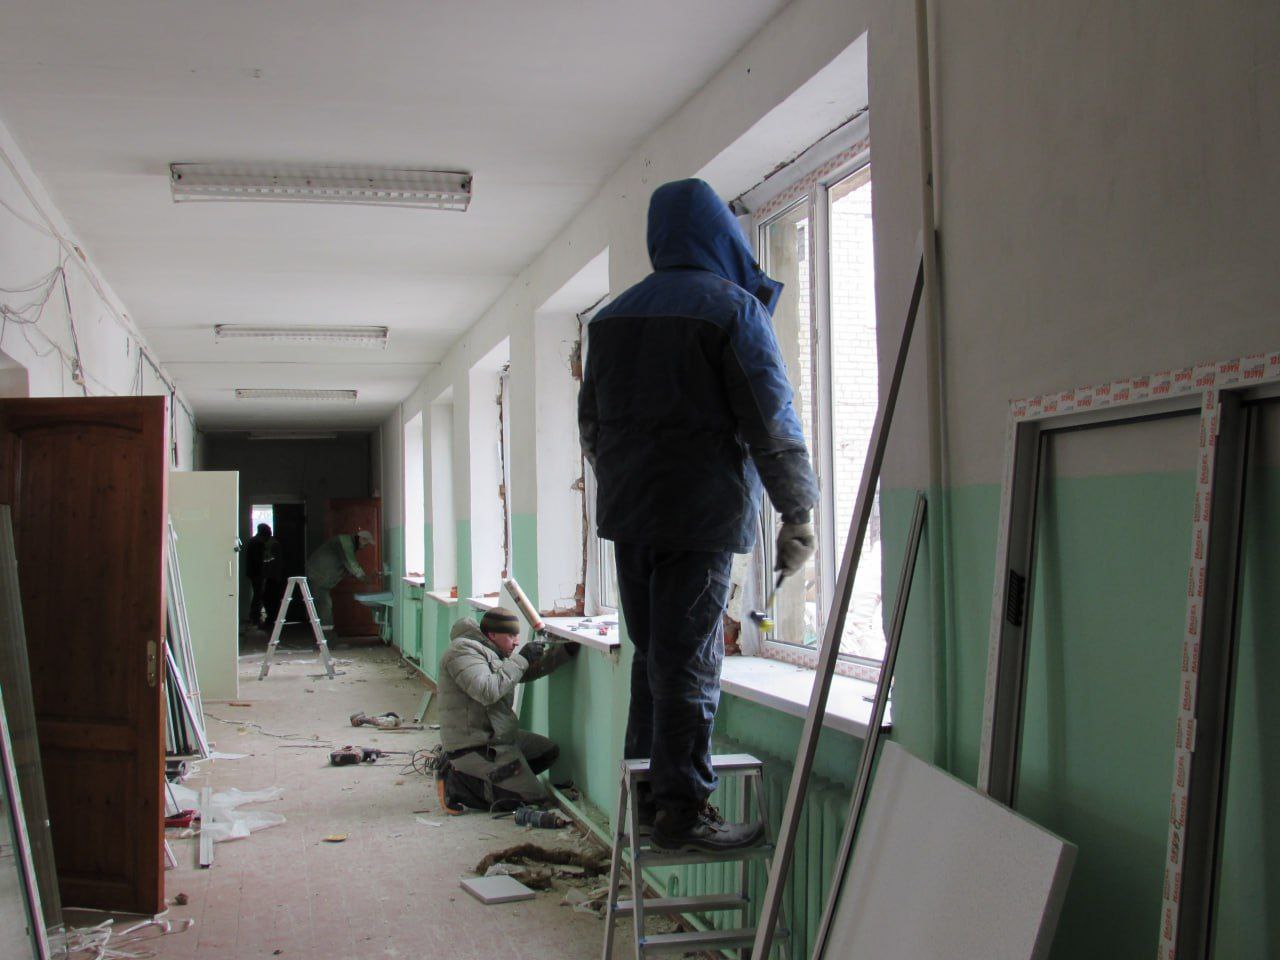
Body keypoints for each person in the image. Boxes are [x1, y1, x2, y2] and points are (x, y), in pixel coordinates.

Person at [578, 178, 819, 853]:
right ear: (720, 236)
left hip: (630, 517)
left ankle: (648, 801)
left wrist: (632, 482)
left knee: (653, 657)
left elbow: (592, 428)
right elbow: (770, 419)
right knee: (690, 663)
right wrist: (797, 510)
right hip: (701, 518)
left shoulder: (610, 319)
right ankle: (683, 812)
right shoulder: (732, 309)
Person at [437, 607, 577, 811]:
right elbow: (487, 691)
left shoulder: (491, 649)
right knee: (535, 799)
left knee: (547, 752)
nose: (517, 642)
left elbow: (516, 674)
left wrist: (565, 651)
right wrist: (522, 659)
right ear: (493, 634)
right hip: (473, 746)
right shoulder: (462, 651)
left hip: (497, 738)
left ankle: (501, 780)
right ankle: (458, 783)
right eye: (511, 636)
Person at [304, 529, 373, 628]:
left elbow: (346, 565)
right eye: (366, 544)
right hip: (317, 574)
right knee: (323, 605)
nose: (364, 547)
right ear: (362, 539)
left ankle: (324, 633)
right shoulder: (345, 542)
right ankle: (326, 634)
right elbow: (351, 563)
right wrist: (364, 578)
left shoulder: (347, 543)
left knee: (322, 604)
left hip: (319, 574)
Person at [244, 523, 278, 627]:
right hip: (258, 573)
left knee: (257, 595)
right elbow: (259, 560)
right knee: (259, 595)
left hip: (253, 573)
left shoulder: (253, 541)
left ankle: (255, 617)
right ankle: (255, 618)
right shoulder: (258, 543)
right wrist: (269, 560)